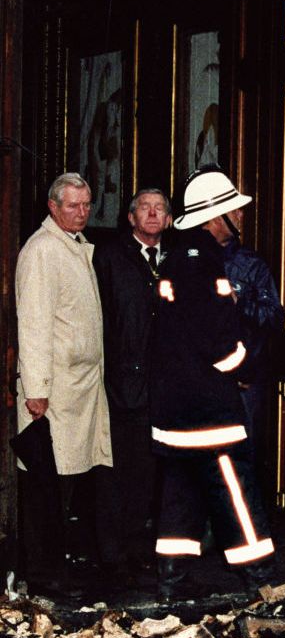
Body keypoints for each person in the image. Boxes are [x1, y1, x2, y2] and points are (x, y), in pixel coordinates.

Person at [150, 167, 274, 599]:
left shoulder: (174, 259)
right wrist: (243, 367)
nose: (238, 218)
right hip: (210, 410)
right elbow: (221, 345)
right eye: (232, 211)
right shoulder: (206, 264)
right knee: (235, 493)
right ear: (214, 217)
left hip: (174, 410)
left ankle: (170, 580)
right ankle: (261, 578)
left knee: (180, 493)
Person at [15, 172, 113, 595]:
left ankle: (60, 565)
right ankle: (43, 574)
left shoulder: (73, 247)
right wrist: (35, 389)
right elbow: (33, 325)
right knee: (45, 484)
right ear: (52, 207)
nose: (82, 212)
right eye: (72, 205)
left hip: (80, 388)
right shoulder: (41, 252)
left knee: (69, 480)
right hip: (55, 392)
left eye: (87, 204)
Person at [93, 188, 172, 585]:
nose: (153, 213)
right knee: (114, 470)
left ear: (169, 220)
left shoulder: (172, 261)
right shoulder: (109, 257)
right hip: (118, 383)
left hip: (159, 387)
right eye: (145, 207)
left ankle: (137, 548)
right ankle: (112, 556)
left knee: (148, 471)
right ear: (130, 217)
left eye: (160, 209)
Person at [194, 165, 285, 509]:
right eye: (235, 209)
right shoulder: (190, 258)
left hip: (243, 383)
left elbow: (273, 317)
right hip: (202, 379)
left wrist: (242, 301)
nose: (242, 215)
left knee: (240, 457)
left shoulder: (252, 265)